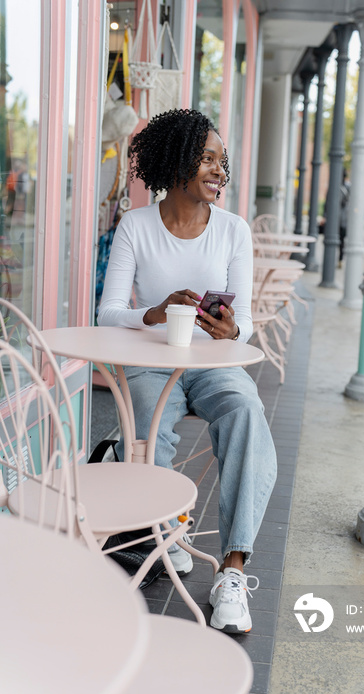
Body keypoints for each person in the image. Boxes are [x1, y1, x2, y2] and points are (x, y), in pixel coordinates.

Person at [98, 108, 277, 634]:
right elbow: (108, 314)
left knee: (247, 414)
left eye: (223, 161)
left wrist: (230, 331)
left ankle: (233, 571)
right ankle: (169, 531)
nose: (220, 170)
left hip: (212, 363)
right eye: (208, 158)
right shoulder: (136, 226)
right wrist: (154, 312)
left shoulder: (233, 231)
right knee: (151, 427)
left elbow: (241, 323)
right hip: (154, 359)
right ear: (176, 162)